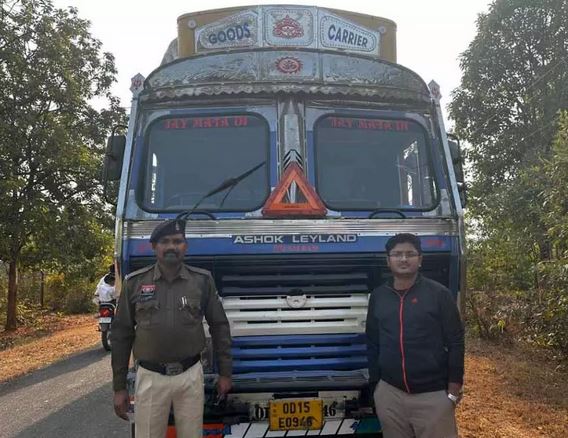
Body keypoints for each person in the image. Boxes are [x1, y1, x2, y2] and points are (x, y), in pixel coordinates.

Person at [111, 218, 232, 438]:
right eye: (165, 241)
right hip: (150, 377)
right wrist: (119, 387)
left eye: (177, 241)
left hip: (190, 376)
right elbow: (121, 335)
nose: (171, 247)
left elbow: (220, 327)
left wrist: (225, 373)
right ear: (154, 246)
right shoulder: (135, 283)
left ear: (185, 246)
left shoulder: (202, 281)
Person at [366, 233, 464, 438]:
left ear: (420, 259)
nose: (403, 259)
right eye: (397, 254)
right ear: (388, 260)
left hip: (432, 396)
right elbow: (373, 341)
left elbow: (456, 341)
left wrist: (453, 390)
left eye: (410, 254)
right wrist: (377, 386)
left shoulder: (439, 294)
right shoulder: (378, 296)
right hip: (390, 394)